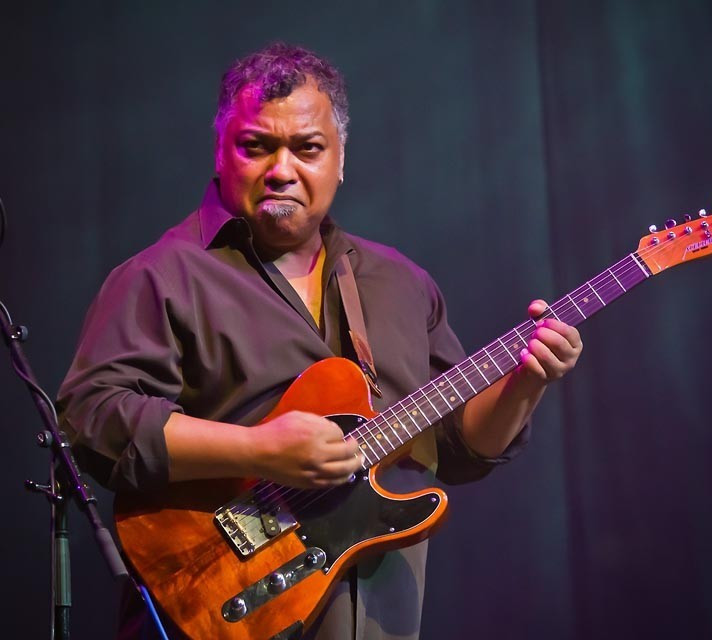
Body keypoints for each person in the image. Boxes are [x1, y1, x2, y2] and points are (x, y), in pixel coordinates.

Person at [57, 43, 582, 640]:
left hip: (382, 612)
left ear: (340, 159)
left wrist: (526, 382)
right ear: (220, 153)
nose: (282, 170)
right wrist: (258, 450)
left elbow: (459, 450)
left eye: (307, 148)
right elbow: (93, 419)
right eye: (256, 146)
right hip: (225, 606)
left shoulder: (401, 282)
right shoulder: (159, 276)